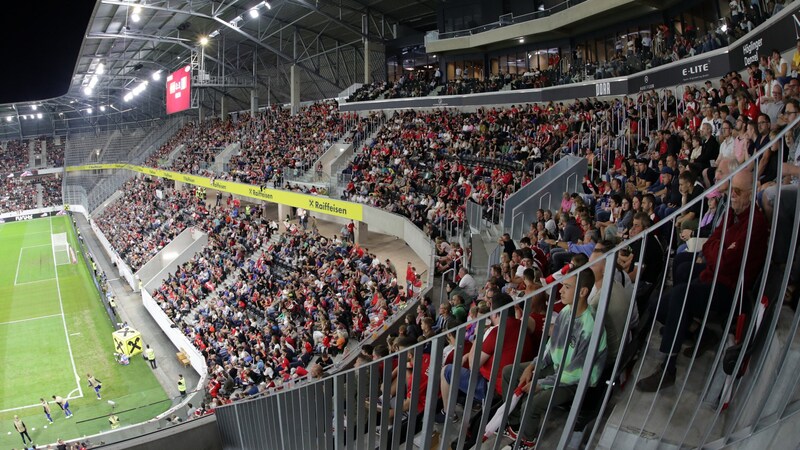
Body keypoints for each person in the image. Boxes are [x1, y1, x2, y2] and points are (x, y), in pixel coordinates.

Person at [502, 268, 607, 448]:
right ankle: (516, 422)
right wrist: (533, 366)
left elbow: (576, 373)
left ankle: (527, 440)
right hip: (557, 368)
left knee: (532, 402)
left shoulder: (590, 327)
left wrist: (541, 383)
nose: (560, 290)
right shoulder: (566, 311)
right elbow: (551, 346)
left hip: (574, 382)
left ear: (583, 292)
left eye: (567, 287)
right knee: (508, 372)